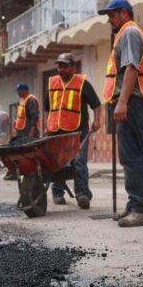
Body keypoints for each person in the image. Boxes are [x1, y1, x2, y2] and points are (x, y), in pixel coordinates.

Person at [98, 0, 143, 227]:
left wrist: (122, 103)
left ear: (124, 13)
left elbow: (131, 68)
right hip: (132, 101)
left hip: (131, 102)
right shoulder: (130, 33)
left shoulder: (129, 32)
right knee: (132, 155)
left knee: (132, 156)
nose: (109, 20)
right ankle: (135, 204)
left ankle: (141, 208)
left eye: (112, 15)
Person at [44, 53, 101, 209]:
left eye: (64, 66)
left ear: (72, 67)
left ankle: (82, 194)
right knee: (56, 162)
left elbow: (96, 104)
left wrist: (97, 120)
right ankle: (57, 192)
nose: (60, 69)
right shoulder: (52, 83)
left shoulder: (82, 83)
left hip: (78, 131)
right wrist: (47, 125)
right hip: (56, 131)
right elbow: (47, 109)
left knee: (79, 162)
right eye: (58, 66)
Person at [3, 83, 40, 180]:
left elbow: (34, 116)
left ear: (24, 90)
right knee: (17, 151)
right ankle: (15, 172)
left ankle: (29, 171)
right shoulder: (22, 100)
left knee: (29, 153)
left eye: (19, 91)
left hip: (29, 132)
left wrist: (32, 131)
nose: (18, 93)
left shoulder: (31, 100)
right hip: (21, 132)